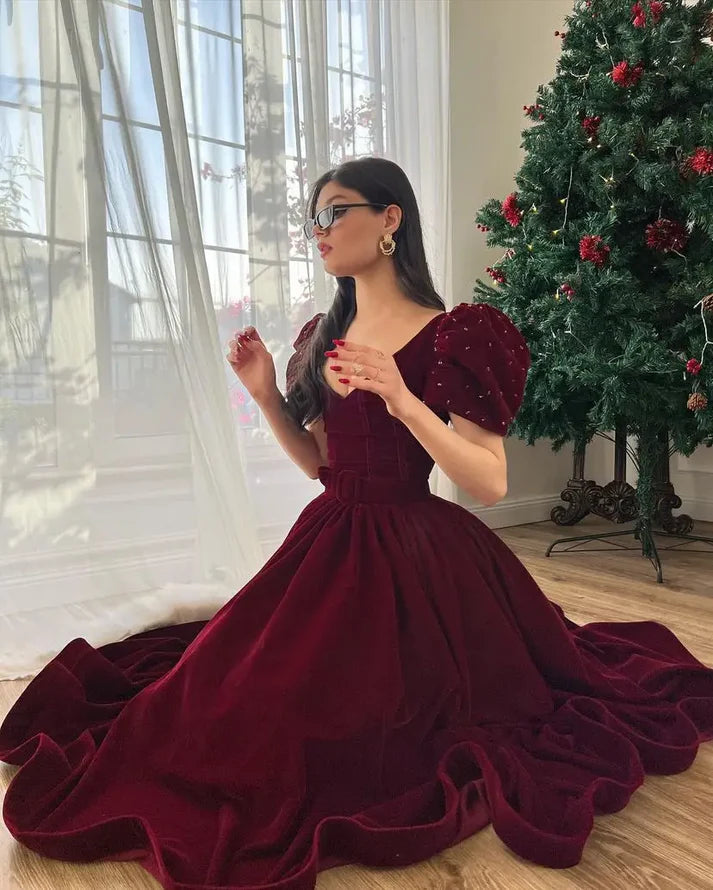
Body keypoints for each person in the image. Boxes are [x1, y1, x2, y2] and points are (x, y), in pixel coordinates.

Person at [1, 157, 712, 890]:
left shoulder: (458, 333)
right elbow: (319, 464)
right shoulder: (325, 334)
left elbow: (489, 481)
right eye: (313, 219)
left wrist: (403, 400)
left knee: (358, 717)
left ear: (389, 219)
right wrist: (266, 395)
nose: (319, 231)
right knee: (235, 692)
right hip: (329, 538)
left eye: (333, 212)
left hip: (420, 550)